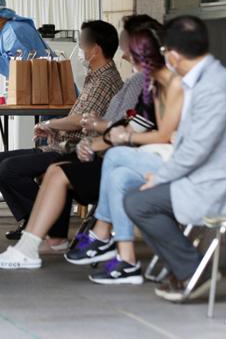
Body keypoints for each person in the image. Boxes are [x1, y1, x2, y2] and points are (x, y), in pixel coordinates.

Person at [0, 21, 184, 270]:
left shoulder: (163, 85)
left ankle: (96, 239)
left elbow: (154, 135)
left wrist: (103, 139)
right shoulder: (148, 87)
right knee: (78, 170)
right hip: (121, 155)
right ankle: (116, 253)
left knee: (58, 170)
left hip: (147, 162)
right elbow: (131, 128)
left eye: (131, 52)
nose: (125, 56)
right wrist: (98, 141)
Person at [124, 16, 226, 301]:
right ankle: (188, 268)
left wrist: (160, 177)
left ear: (172, 54)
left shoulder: (212, 87)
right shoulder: (204, 79)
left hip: (222, 180)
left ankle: (194, 272)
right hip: (207, 173)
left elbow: (197, 149)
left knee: (138, 202)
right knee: (138, 197)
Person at [0, 20, 123, 244]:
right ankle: (30, 219)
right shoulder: (94, 77)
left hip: (75, 150)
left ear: (95, 49)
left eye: (81, 44)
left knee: (9, 168)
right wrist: (54, 130)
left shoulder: (105, 81)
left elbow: (83, 120)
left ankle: (48, 221)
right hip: (62, 144)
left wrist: (52, 125)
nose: (79, 50)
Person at [79, 28, 183, 284]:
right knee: (120, 177)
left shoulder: (173, 84)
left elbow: (163, 135)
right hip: (162, 154)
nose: (129, 63)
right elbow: (140, 123)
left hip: (178, 161)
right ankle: (127, 261)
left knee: (116, 157)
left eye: (132, 59)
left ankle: (101, 232)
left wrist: (125, 137)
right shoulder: (154, 85)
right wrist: (118, 134)